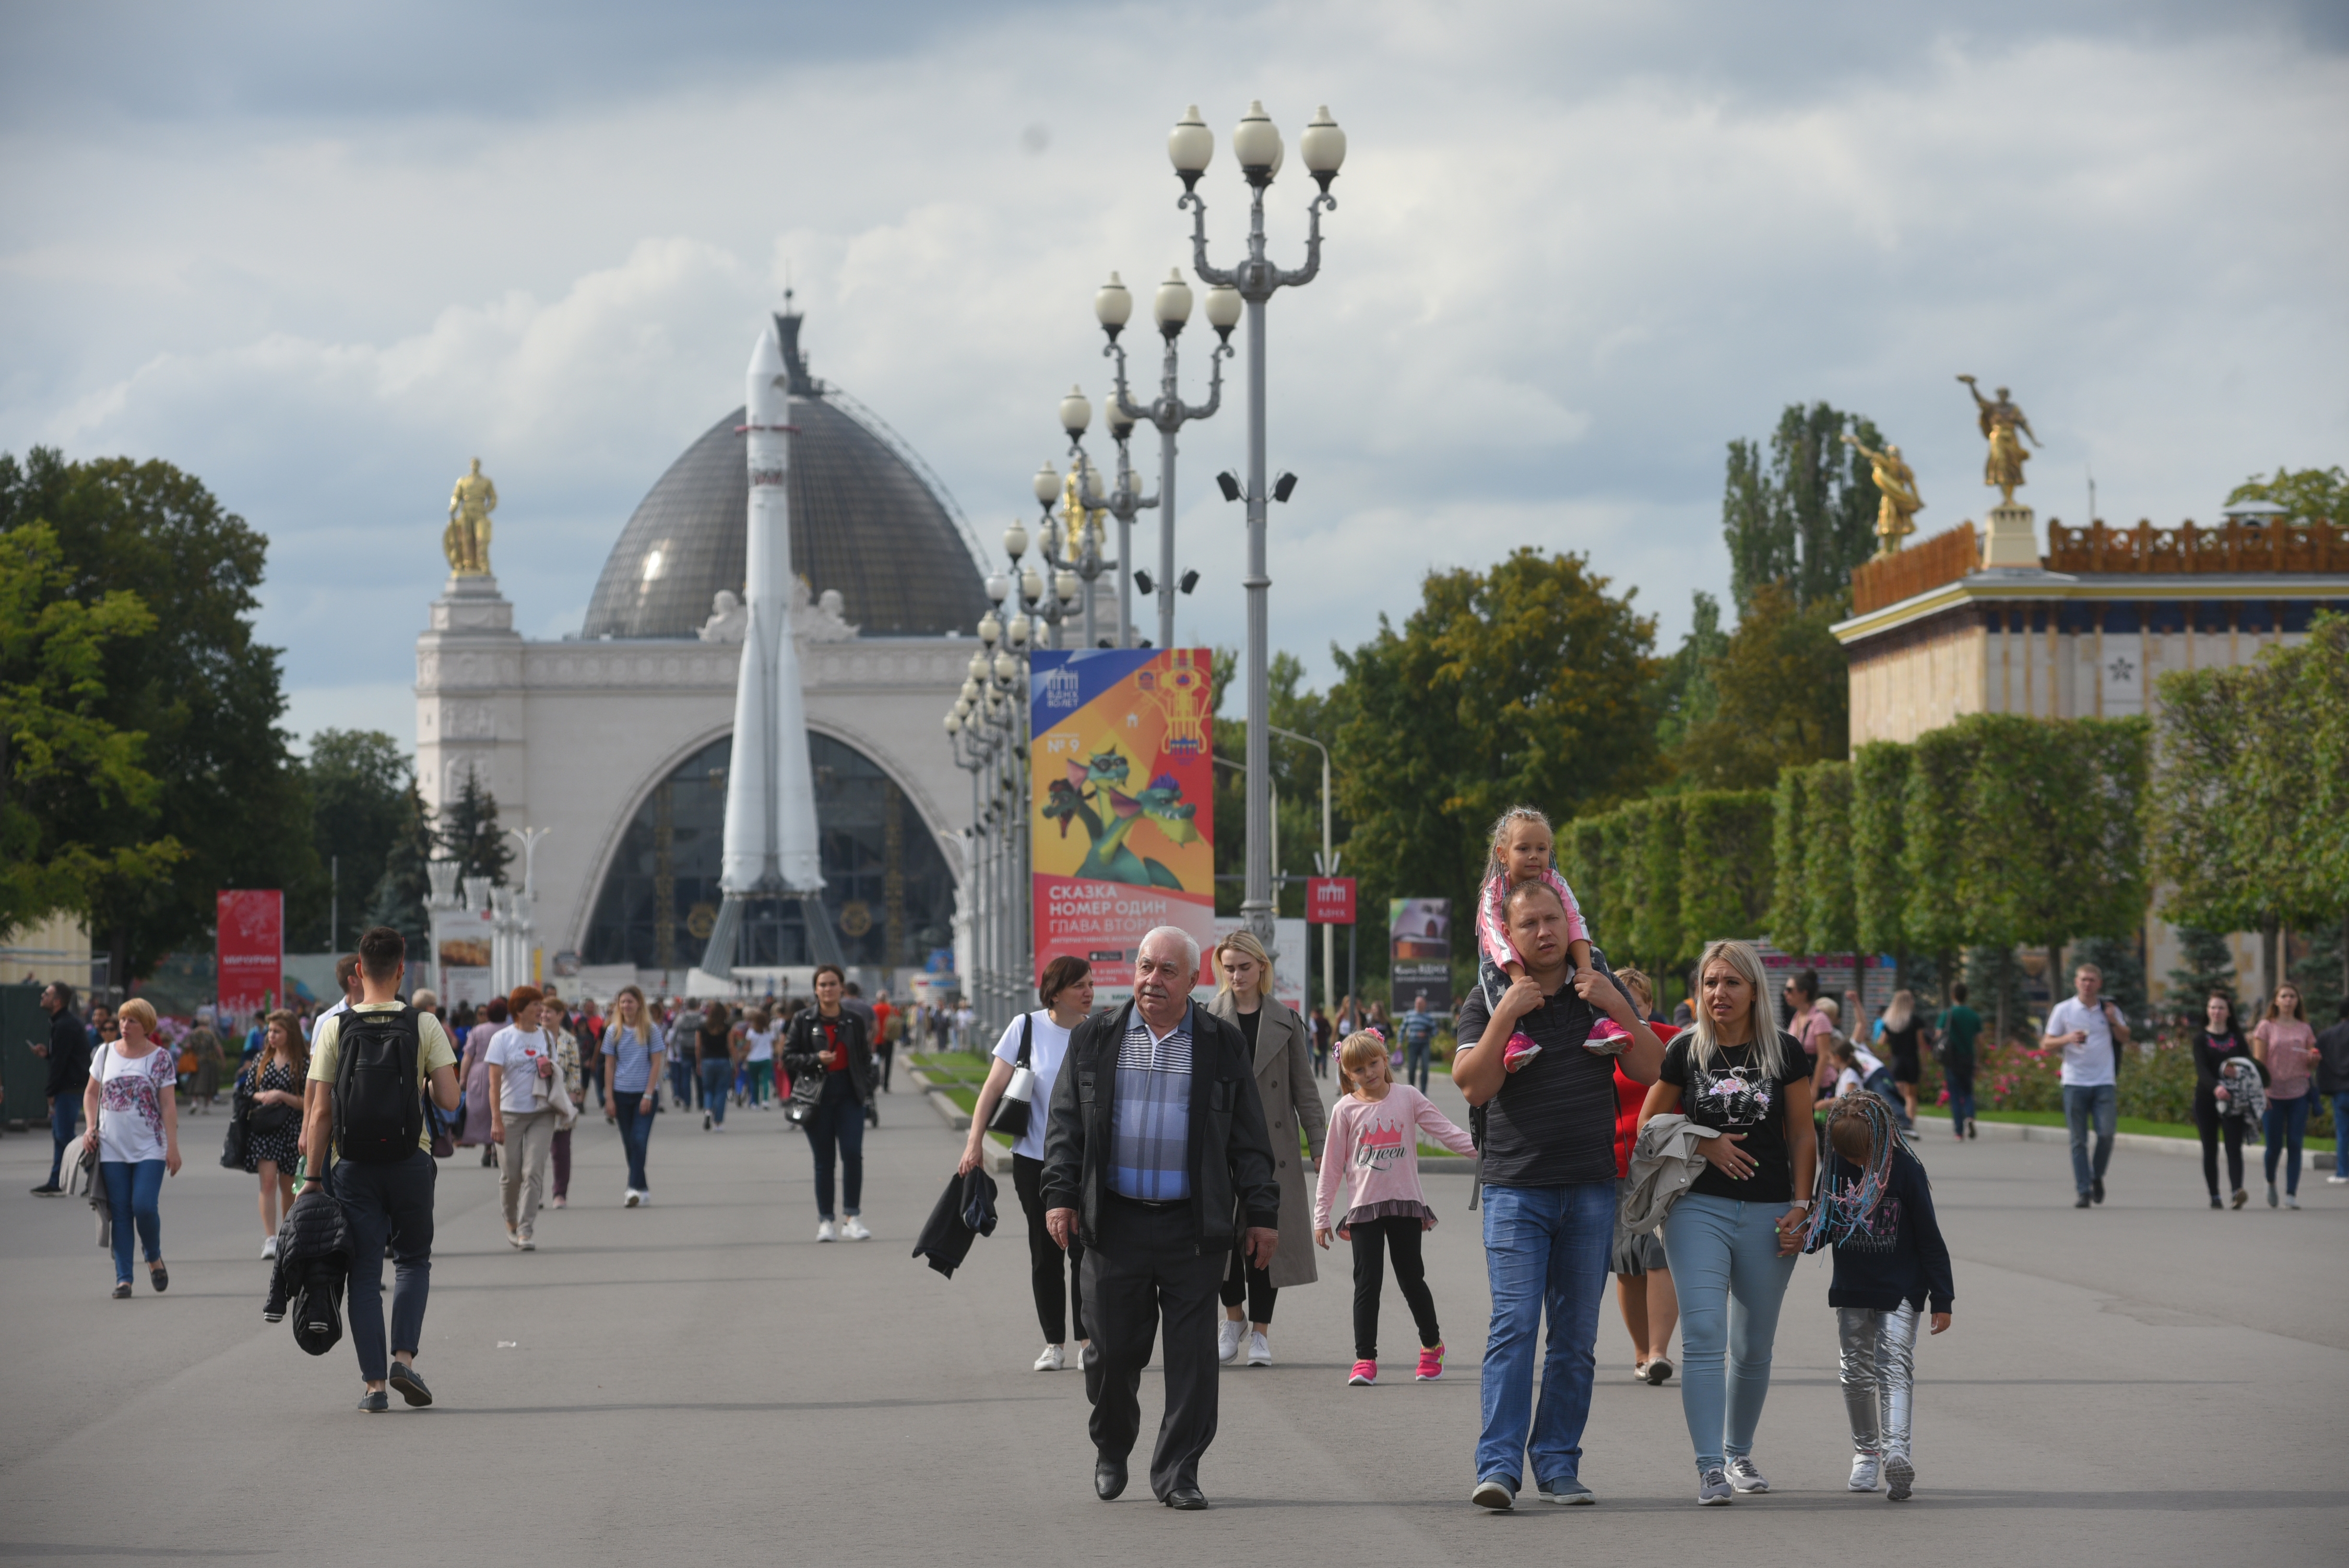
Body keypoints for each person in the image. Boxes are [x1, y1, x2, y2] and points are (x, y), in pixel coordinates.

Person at [1040, 925, 1281, 1510]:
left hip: (1192, 1227)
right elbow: (1066, 1124)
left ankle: (1178, 1472)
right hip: (1113, 1223)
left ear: (1195, 981)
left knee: (1193, 1357)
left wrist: (1262, 1214)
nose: (1152, 980)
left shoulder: (1220, 1043)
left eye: (1167, 970)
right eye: (1146, 966)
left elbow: (1250, 1140)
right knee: (1111, 1353)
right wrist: (1060, 1194)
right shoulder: (1096, 1036)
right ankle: (1112, 1444)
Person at [1451, 880, 1665, 1511]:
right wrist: (1506, 1016)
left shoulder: (1597, 987)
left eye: (1552, 920)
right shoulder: (1491, 993)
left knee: (1575, 1335)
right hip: (1517, 1189)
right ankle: (1498, 1467)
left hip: (1593, 1187)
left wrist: (1620, 1009)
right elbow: (1472, 1086)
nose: (1543, 932)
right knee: (1514, 1327)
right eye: (1529, 924)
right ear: (1508, 936)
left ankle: (1558, 1463)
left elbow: (1656, 1068)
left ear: (1567, 925)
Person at [1638, 938, 1817, 1506]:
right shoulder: (1685, 1052)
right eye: (1711, 982)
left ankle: (1739, 1452)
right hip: (1698, 1209)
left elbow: (1802, 1133)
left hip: (1770, 1212)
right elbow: (1650, 1123)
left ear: (1753, 989)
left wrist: (1804, 1204)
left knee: (1753, 1343)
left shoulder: (1784, 1052)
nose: (1719, 993)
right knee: (1706, 1335)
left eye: (1731, 982)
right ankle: (1710, 1466)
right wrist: (1706, 1139)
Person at [301, 925, 461, 1412]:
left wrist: (310, 1180)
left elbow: (322, 1111)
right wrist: (429, 1085)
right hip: (411, 1159)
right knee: (413, 1260)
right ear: (401, 969)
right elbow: (450, 1101)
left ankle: (373, 1388)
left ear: (357, 972)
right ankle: (404, 1359)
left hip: (352, 1165)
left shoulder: (334, 1026)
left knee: (365, 1274)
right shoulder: (425, 1024)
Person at [1802, 1094, 1954, 1502]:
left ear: (1883, 1140)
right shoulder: (1836, 1166)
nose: (1856, 1163)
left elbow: (1930, 1238)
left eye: (1862, 1155)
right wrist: (1798, 1238)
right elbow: (1823, 1223)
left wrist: (1943, 1297)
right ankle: (1866, 1453)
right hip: (1852, 1287)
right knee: (1855, 1371)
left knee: (1895, 1367)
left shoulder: (1905, 1170)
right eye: (1847, 1155)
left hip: (1902, 1288)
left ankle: (1896, 1453)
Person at [1314, 1029, 1476, 1386]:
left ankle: (1432, 1346)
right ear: (1348, 1074)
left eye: (1373, 1063)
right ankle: (1364, 1359)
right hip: (1364, 1210)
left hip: (1405, 1205)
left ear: (1385, 1059)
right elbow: (1331, 1167)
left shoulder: (1407, 1097)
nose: (1369, 1073)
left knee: (1411, 1279)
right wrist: (1321, 1215)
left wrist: (1489, 1152)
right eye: (1358, 1069)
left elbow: (1446, 1132)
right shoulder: (1345, 1109)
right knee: (1367, 1283)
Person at [963, 957, 1096, 1370]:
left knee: (1084, 1252)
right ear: (1055, 992)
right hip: (1034, 1161)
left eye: (1091, 984)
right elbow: (992, 1088)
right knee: (1045, 1253)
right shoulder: (1026, 1028)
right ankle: (1053, 1343)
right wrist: (975, 1142)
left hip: (1086, 1164)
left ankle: (1087, 1341)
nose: (1089, 992)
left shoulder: (1099, 1033)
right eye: (1080, 986)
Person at [1206, 930, 1327, 1370]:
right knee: (1219, 1238)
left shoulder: (1286, 1020)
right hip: (1220, 1147)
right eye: (1229, 967)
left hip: (1272, 1147)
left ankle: (1260, 1333)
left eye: (1243, 966)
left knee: (1263, 1241)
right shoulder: (1208, 1018)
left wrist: (1320, 1147)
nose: (1236, 975)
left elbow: (1306, 1092)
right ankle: (1232, 1318)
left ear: (1262, 967)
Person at [1609, 969, 1681, 1386]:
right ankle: (1640, 1353)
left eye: (1633, 1004)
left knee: (1658, 1257)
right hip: (1612, 1164)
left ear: (1648, 1006)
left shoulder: (1673, 1041)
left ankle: (1658, 1353)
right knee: (1626, 1264)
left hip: (1661, 1166)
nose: (1623, 1012)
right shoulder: (1594, 1041)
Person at [80, 998, 180, 1299]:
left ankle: (153, 1256)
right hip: (112, 1147)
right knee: (121, 1212)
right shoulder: (105, 1053)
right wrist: (89, 1127)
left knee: (144, 1206)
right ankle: (124, 1278)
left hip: (151, 1146)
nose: (124, 1026)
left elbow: (168, 1104)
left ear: (146, 1026)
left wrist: (172, 1147)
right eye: (122, 1020)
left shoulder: (160, 1058)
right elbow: (91, 1093)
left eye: (132, 1021)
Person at [782, 965, 877, 1241]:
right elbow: (788, 1057)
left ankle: (852, 1217)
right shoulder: (803, 1020)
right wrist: (815, 1060)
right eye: (823, 985)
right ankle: (826, 1221)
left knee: (852, 1154)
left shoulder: (854, 1020)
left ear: (841, 987)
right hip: (817, 1098)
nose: (828, 989)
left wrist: (867, 1084)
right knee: (824, 1161)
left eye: (833, 984)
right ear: (815, 989)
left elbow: (865, 1057)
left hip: (850, 1096)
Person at [1470, 805, 1598, 999]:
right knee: (1492, 975)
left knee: (1595, 957)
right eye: (1523, 849)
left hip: (1551, 954)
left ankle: (1603, 1022)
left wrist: (1587, 972)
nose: (1534, 855)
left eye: (1541, 848)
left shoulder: (1556, 882)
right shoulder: (1494, 893)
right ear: (1503, 854)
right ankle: (1517, 1029)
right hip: (1508, 966)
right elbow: (1498, 938)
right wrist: (1520, 982)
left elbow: (1573, 921)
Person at [2042, 963, 2129, 1208]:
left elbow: (2125, 1037)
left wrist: (2113, 1021)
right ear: (2076, 983)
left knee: (2106, 1135)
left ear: (2099, 984)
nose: (2087, 984)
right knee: (2078, 1140)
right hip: (2075, 1081)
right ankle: (2083, 1191)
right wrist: (2068, 1038)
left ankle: (2096, 1176)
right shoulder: (2064, 1010)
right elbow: (2046, 1043)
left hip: (2104, 1081)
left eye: (2092, 980)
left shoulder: (2109, 1009)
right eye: (2083, 980)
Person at [485, 985, 560, 1250]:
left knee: (533, 1172)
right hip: (510, 1113)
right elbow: (493, 1084)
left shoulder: (547, 1038)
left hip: (542, 1112)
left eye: (541, 1005)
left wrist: (551, 1068)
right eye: (535, 1005)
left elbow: (555, 1069)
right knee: (511, 1175)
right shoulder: (502, 1039)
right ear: (520, 1010)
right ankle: (511, 1220)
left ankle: (526, 1230)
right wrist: (496, 1119)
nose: (541, 1010)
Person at [241, 1010, 307, 1257]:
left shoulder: (304, 1062)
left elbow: (309, 1101)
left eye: (277, 1031)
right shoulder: (261, 1060)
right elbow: (248, 1092)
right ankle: (271, 1238)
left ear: (290, 1033)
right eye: (269, 1031)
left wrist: (282, 1096)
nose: (271, 1036)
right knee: (267, 1182)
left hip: (292, 1129)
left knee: (289, 1185)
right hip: (265, 1129)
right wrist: (262, 1096)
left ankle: (287, 1234)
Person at [2253, 983, 2318, 1210]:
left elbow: (2311, 1060)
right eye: (2284, 996)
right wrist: (2261, 1091)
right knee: (2274, 1146)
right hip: (2272, 1093)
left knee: (2295, 1143)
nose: (2289, 1000)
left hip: (2299, 1092)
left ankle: (2291, 1193)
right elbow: (2259, 1063)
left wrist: (2314, 1058)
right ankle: (2270, 1180)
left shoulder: (2305, 1029)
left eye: (2293, 996)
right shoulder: (2266, 1027)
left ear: (2298, 1001)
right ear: (2276, 1001)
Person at [601, 985, 665, 1205]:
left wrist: (649, 1094)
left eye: (630, 1001)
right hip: (621, 1093)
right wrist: (608, 1097)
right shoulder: (612, 1031)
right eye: (623, 1002)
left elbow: (656, 1062)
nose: (626, 1006)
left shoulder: (651, 1030)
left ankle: (632, 1188)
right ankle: (643, 1187)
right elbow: (609, 1065)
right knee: (629, 1143)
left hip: (644, 1094)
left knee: (639, 1139)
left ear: (639, 1004)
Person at [2191, 993, 2255, 1209]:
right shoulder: (2200, 1039)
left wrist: (2238, 1073)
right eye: (2212, 1008)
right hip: (2207, 1099)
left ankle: (2237, 1191)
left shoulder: (2237, 1038)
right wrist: (2216, 1087)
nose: (2216, 1012)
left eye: (2220, 1008)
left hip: (2234, 1101)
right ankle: (2215, 1195)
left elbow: (2249, 1065)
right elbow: (2201, 1069)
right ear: (2207, 1011)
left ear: (2229, 1013)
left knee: (2233, 1147)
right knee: (2210, 1149)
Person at [30, 981, 92, 1195]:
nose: (42, 996)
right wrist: (47, 1054)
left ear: (57, 1001)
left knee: (65, 1135)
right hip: (69, 1084)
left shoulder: (65, 1025)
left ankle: (96, 1172)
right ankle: (56, 1180)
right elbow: (61, 1056)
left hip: (69, 1086)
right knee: (60, 1136)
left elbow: (62, 1063)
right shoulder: (63, 1023)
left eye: (46, 994)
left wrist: (51, 1091)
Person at [544, 997, 584, 1210]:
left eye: (550, 1012)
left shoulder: (569, 1041)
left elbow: (576, 1070)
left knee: (561, 1151)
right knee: (536, 1150)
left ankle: (560, 1193)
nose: (544, 1015)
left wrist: (575, 1096)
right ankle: (534, 1193)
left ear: (560, 1015)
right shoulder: (533, 1038)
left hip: (562, 1099)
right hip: (538, 1099)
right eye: (542, 1011)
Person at [457, 996, 507, 1166]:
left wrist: (463, 1078)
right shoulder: (510, 1029)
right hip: (504, 1073)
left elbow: (467, 1056)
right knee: (501, 1111)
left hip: (480, 1073)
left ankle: (488, 1148)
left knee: (484, 1112)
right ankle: (498, 1150)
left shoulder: (478, 1031)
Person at [1876, 990, 1931, 1126]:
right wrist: (1925, 1064)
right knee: (1911, 1095)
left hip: (1897, 1061)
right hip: (1912, 1060)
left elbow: (1881, 1042)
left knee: (1899, 1093)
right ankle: (1910, 1121)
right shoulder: (1916, 1021)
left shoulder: (1890, 1022)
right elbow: (1921, 1045)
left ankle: (1900, 1121)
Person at [1938, 983, 1982, 1139]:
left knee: (1955, 1094)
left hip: (1952, 1059)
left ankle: (1959, 1131)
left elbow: (1939, 1035)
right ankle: (1970, 1116)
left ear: (1953, 995)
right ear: (1967, 995)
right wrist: (1978, 1059)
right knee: (1968, 1091)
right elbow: (1979, 1041)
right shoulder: (1973, 1016)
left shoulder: (1947, 1014)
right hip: (1968, 1058)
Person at [2319, 998, 2349, 1186]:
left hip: (2340, 1091)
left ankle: (2343, 1172)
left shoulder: (2327, 1036)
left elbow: (2322, 1063)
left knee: (2343, 1133)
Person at [694, 1000, 733, 1131]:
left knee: (708, 1090)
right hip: (723, 1061)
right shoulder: (727, 1028)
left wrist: (699, 1062)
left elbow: (698, 1047)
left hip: (707, 1061)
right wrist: (736, 1064)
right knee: (721, 1091)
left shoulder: (702, 1028)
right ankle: (718, 1122)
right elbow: (732, 1047)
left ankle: (708, 1111)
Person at [1395, 993, 1440, 1094]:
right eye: (1417, 1003)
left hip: (1424, 1044)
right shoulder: (1410, 1015)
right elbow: (1402, 1029)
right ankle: (1412, 1090)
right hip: (1413, 1044)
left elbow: (1435, 1032)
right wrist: (1400, 1041)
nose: (1418, 1005)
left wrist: (1426, 1034)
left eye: (1420, 1003)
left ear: (1425, 1004)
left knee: (1425, 1067)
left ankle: (1423, 1091)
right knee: (1412, 1068)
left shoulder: (1428, 1017)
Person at [185, 1017, 226, 1114]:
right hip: (210, 1061)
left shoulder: (193, 1033)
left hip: (197, 1061)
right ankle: (206, 1107)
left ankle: (194, 1102)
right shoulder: (210, 1033)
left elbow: (189, 1046)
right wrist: (223, 1060)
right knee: (209, 1084)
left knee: (196, 1082)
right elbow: (218, 1047)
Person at [741, 1006, 779, 1108]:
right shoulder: (770, 1031)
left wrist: (744, 1054)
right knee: (766, 1080)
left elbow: (748, 1046)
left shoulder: (751, 1032)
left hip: (753, 1059)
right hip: (766, 1058)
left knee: (754, 1082)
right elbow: (775, 1044)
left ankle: (755, 1102)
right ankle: (766, 1100)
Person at [872, 989, 900, 1094]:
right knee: (888, 1063)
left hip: (877, 1040)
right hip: (889, 1039)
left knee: (875, 1062)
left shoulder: (874, 1009)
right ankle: (886, 1085)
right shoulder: (892, 1009)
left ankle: (875, 1082)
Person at [1309, 1005, 1333, 1080]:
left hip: (1316, 1042)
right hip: (1324, 1041)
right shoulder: (1325, 1020)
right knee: (1324, 1056)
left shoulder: (1314, 1021)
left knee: (1317, 1057)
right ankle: (1324, 1072)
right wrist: (1327, 1035)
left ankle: (1316, 1073)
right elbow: (1330, 1029)